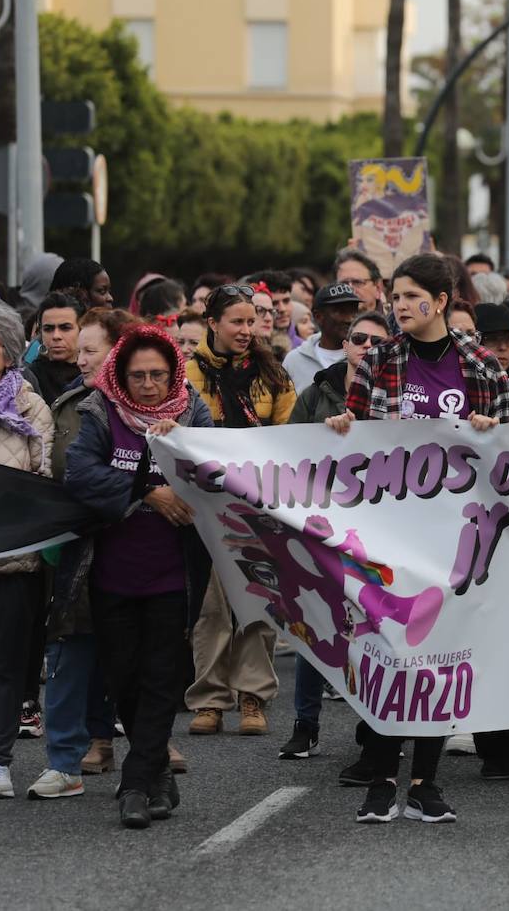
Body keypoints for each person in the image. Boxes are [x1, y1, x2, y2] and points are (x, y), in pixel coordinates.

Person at [328, 252, 509, 824]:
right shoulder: (381, 359)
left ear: (440, 302)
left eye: (413, 296)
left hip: (457, 535)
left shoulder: (482, 365)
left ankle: (426, 783)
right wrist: (342, 425)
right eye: (396, 296)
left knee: (441, 654)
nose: (401, 306)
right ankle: (381, 780)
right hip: (392, 531)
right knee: (388, 650)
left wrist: (493, 430)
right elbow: (355, 436)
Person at [63, 325, 213, 827]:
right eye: (138, 376)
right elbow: (79, 473)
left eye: (158, 375)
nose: (149, 385)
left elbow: (218, 475)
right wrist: (147, 489)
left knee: (160, 677)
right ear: (121, 376)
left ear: (174, 374)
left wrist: (184, 449)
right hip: (111, 574)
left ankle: (134, 783)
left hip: (174, 575)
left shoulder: (192, 412)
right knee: (123, 675)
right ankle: (159, 778)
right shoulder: (100, 411)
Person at [31, 308, 138, 798]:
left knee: (138, 657)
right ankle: (63, 761)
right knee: (70, 652)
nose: (80, 360)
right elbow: (63, 476)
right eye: (79, 351)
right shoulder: (70, 405)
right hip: (78, 549)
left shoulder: (164, 405)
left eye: (91, 350)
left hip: (143, 550)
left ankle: (148, 751)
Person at [185, 284, 296, 737]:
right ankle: (210, 698)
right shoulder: (185, 374)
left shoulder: (273, 375)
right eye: (237, 322)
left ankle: (253, 696)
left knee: (257, 600)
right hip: (203, 507)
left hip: (258, 505)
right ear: (212, 323)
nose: (247, 330)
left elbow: (291, 436)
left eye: (251, 322)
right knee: (211, 607)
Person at [280, 312, 390, 762]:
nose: (365, 345)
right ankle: (306, 725)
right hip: (325, 526)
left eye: (376, 341)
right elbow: (285, 453)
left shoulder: (396, 398)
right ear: (344, 345)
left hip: (385, 530)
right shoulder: (314, 395)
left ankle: (376, 727)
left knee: (378, 632)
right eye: (358, 338)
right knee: (318, 625)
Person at [0, 299, 54, 800]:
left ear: (7, 350)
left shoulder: (29, 407)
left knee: (0, 664)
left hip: (9, 561)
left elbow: (42, 481)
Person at [284, 282, 361, 389]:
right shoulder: (294, 361)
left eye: (354, 312)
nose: (350, 319)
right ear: (318, 316)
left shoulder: (364, 357)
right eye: (341, 311)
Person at [27, 292, 86, 403]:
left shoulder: (94, 374)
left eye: (65, 328)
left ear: (81, 329)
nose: (56, 336)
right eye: (48, 329)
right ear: (40, 332)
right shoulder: (29, 378)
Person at [334, 248, 386, 312]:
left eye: (357, 282)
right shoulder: (325, 320)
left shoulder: (396, 320)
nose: (349, 290)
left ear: (378, 288)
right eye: (343, 285)